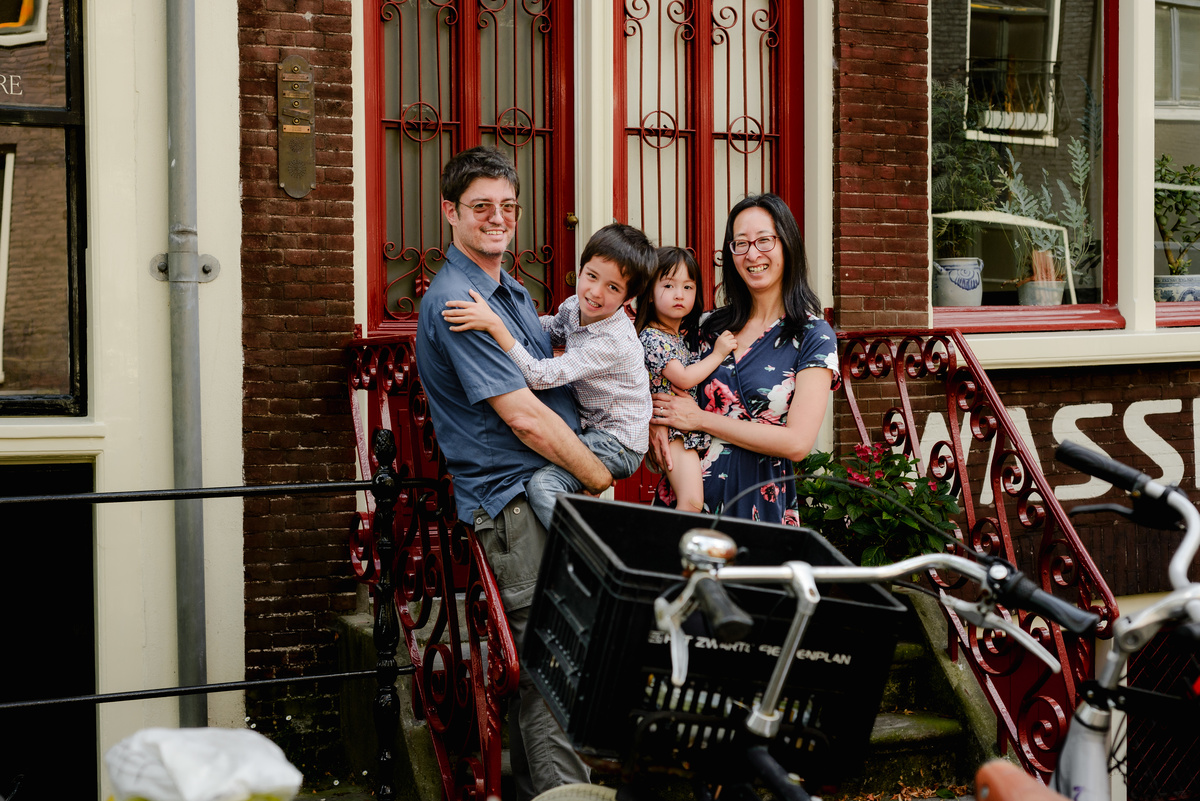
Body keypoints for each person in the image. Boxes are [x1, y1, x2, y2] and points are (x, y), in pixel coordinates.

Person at [414, 146, 607, 799]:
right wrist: (599, 474)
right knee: (554, 670)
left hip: (540, 496)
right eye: (480, 207)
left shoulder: (508, 290)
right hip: (518, 506)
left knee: (557, 668)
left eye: (507, 207)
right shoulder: (458, 300)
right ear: (450, 213)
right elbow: (523, 417)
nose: (497, 218)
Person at [442, 223, 657, 529]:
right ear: (580, 270)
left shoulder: (612, 342)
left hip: (618, 443)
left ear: (628, 297)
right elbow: (547, 330)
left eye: (612, 288)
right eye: (592, 276)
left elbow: (538, 376)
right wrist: (500, 315)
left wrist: (496, 328)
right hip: (592, 428)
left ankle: (587, 556)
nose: (595, 292)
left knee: (543, 485)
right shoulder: (574, 307)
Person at [649, 193, 838, 524]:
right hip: (685, 502)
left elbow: (797, 443)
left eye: (764, 241)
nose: (753, 254)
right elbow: (663, 384)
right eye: (740, 244)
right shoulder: (707, 326)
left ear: (787, 244)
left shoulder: (813, 335)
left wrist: (700, 420)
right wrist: (653, 423)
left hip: (758, 507)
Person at [634, 246, 737, 513]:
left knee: (691, 501)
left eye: (688, 287)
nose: (680, 294)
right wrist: (718, 354)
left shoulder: (680, 335)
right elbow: (684, 378)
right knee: (690, 502)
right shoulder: (651, 337)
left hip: (684, 429)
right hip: (673, 433)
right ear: (648, 294)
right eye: (669, 285)